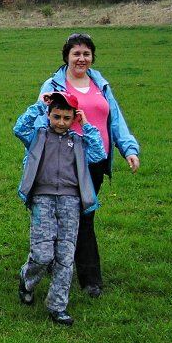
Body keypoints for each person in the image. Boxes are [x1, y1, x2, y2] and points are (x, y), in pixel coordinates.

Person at [38, 33, 140, 297]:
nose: (81, 59)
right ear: (67, 57)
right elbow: (40, 121)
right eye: (76, 54)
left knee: (84, 214)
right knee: (68, 216)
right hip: (64, 161)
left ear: (92, 57)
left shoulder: (100, 84)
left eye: (86, 54)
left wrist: (128, 148)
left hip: (95, 160)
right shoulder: (54, 84)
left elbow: (114, 119)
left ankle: (79, 271)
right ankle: (73, 271)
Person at [13, 91, 106, 326]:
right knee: (43, 253)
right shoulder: (38, 136)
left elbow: (99, 154)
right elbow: (19, 128)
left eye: (67, 118)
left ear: (74, 118)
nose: (61, 123)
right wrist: (37, 107)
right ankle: (27, 278)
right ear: (49, 115)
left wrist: (87, 126)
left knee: (65, 256)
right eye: (56, 117)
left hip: (71, 201)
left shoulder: (78, 141)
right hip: (42, 199)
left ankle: (57, 305)